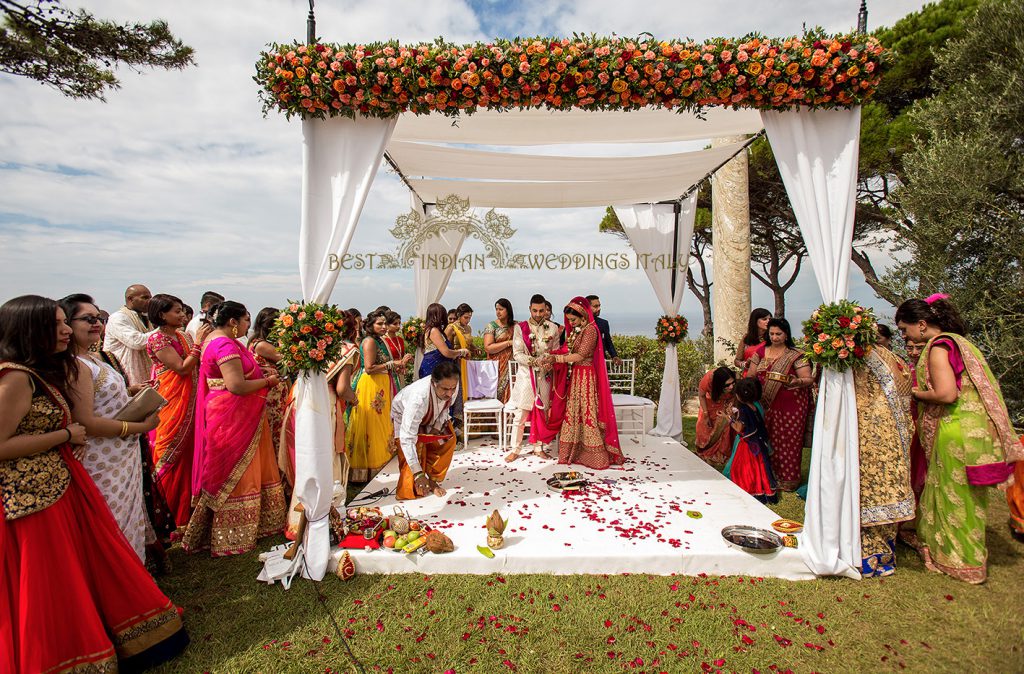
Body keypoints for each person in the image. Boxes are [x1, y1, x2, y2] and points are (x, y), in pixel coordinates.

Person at [0, 295, 188, 672]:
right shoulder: (16, 377)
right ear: (29, 330)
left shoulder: (43, 370)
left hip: (63, 481)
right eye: (58, 324)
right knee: (49, 580)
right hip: (32, 496)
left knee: (92, 558)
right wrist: (67, 435)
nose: (67, 330)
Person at [895, 294, 1023, 584]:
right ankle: (966, 558)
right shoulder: (960, 342)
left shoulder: (939, 347)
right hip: (969, 432)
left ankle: (957, 560)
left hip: (953, 431)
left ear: (923, 324)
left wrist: (914, 393)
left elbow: (946, 394)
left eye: (905, 329)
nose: (904, 335)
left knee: (953, 496)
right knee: (967, 498)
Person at [182, 301, 286, 556]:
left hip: (239, 411)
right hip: (231, 414)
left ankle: (254, 524)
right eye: (245, 321)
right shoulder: (224, 344)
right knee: (236, 468)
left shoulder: (217, 341)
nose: (247, 326)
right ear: (232, 321)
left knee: (247, 466)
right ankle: (232, 533)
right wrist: (268, 381)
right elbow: (236, 385)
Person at [61, 294, 160, 562]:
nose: (97, 324)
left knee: (128, 516)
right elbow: (87, 421)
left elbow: (98, 400)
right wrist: (139, 426)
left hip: (118, 452)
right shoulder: (77, 365)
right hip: (101, 456)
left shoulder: (94, 358)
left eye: (98, 319)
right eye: (88, 319)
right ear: (66, 324)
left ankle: (135, 579)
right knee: (111, 520)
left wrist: (130, 392)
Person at [852, 346, 915, 577]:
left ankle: (872, 553)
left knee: (869, 489)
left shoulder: (868, 361)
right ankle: (877, 553)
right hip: (884, 440)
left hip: (872, 439)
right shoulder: (892, 359)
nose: (905, 337)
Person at [543, 297, 624, 469]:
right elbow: (568, 349)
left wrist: (556, 358)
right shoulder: (578, 330)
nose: (570, 323)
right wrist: (553, 355)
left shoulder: (590, 331)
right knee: (574, 411)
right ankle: (574, 450)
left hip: (586, 376)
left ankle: (593, 455)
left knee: (587, 412)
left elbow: (581, 355)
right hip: (576, 375)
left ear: (582, 315)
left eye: (573, 320)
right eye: (569, 320)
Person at [146, 293, 204, 532]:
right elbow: (180, 368)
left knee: (190, 452)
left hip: (190, 398)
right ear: (162, 314)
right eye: (177, 311)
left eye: (182, 311)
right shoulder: (157, 340)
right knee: (168, 450)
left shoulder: (181, 335)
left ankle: (188, 512)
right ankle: (169, 514)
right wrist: (199, 342)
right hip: (172, 401)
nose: (182, 315)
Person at [745, 317, 813, 491]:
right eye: (772, 333)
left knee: (789, 441)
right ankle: (766, 475)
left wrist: (795, 382)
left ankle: (788, 479)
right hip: (764, 404)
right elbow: (751, 376)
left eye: (778, 334)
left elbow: (808, 379)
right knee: (765, 439)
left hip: (790, 406)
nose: (774, 337)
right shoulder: (760, 351)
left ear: (786, 334)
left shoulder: (796, 354)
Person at [347, 310, 409, 482]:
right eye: (379, 324)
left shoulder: (379, 340)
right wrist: (392, 364)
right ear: (370, 325)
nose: (383, 327)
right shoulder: (369, 341)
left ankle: (381, 461)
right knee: (373, 425)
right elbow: (368, 368)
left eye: (384, 323)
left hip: (381, 383)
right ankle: (370, 467)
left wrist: (396, 366)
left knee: (382, 424)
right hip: (371, 385)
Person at [391, 360, 462, 500]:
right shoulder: (418, 399)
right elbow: (407, 438)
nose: (450, 393)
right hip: (404, 417)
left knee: (448, 439)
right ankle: (419, 477)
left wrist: (435, 429)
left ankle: (433, 479)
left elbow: (445, 407)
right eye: (445, 389)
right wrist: (417, 474)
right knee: (410, 486)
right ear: (434, 383)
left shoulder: (452, 385)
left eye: (452, 389)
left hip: (431, 418)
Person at [505, 294, 561, 462]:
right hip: (526, 377)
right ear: (530, 309)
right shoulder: (520, 328)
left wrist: (550, 362)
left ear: (546, 310)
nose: (538, 314)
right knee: (520, 415)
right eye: (535, 310)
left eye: (541, 311)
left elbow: (556, 352)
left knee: (542, 414)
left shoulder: (552, 328)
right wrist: (534, 361)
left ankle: (539, 447)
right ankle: (515, 449)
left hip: (544, 377)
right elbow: (517, 354)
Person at [723, 377, 778, 503]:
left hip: (747, 446)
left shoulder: (743, 410)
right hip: (758, 443)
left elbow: (739, 428)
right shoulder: (754, 407)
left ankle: (748, 490)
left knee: (743, 470)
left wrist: (728, 418)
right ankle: (763, 491)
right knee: (759, 469)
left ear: (739, 396)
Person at [248, 307, 289, 464]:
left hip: (275, 393)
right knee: (274, 432)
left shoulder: (258, 342)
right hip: (271, 395)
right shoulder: (260, 344)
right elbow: (286, 358)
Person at [103, 283, 153, 387]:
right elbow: (137, 342)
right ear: (130, 299)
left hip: (143, 374)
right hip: (126, 375)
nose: (150, 301)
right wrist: (163, 329)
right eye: (145, 298)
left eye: (150, 297)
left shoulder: (145, 318)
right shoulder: (118, 317)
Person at [695, 366, 737, 469]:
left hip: (727, 402)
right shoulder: (708, 380)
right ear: (718, 384)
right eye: (727, 385)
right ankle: (706, 451)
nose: (731, 387)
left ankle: (721, 455)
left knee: (724, 426)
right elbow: (701, 396)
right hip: (710, 404)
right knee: (706, 427)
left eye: (733, 383)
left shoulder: (733, 384)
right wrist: (705, 414)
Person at [419, 303, 468, 379]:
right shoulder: (433, 330)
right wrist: (461, 352)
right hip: (434, 370)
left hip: (438, 368)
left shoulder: (430, 329)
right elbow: (446, 352)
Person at [483, 298, 515, 403]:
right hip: (497, 366)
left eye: (501, 309)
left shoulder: (516, 326)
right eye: (496, 309)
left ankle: (511, 416)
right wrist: (508, 343)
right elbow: (488, 347)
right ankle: (497, 414)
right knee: (497, 390)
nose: (498, 312)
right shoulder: (492, 326)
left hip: (513, 364)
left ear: (508, 310)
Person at [445, 303, 477, 405]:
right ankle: (456, 414)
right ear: (459, 315)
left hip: (466, 361)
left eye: (470, 318)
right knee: (457, 387)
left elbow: (469, 343)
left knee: (466, 385)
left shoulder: (468, 328)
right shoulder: (451, 328)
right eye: (466, 317)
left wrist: (476, 349)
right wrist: (458, 353)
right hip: (455, 362)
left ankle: (465, 409)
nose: (468, 320)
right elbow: (446, 346)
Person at [587, 294, 622, 366]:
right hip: (585, 364)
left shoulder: (604, 323)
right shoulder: (579, 324)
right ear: (587, 307)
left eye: (599, 306)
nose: (599, 308)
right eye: (595, 306)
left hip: (601, 362)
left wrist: (614, 356)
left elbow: (608, 342)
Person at [382, 310, 409, 394]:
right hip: (388, 374)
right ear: (386, 325)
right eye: (395, 324)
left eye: (399, 323)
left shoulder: (400, 339)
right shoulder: (383, 340)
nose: (398, 326)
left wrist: (406, 360)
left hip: (400, 374)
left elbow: (401, 355)